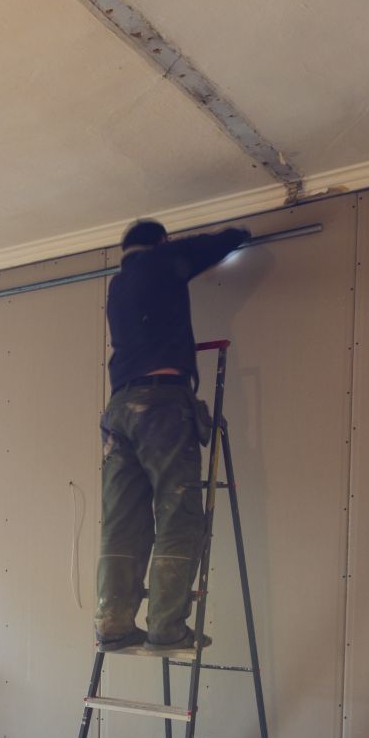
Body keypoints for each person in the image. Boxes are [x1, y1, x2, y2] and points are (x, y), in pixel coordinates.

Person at [95, 218, 250, 650]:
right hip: (161, 406)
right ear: (160, 243)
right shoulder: (161, 262)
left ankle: (113, 624)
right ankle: (166, 626)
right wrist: (240, 235)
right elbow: (210, 246)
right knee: (179, 515)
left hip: (119, 411)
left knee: (123, 523)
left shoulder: (118, 285)